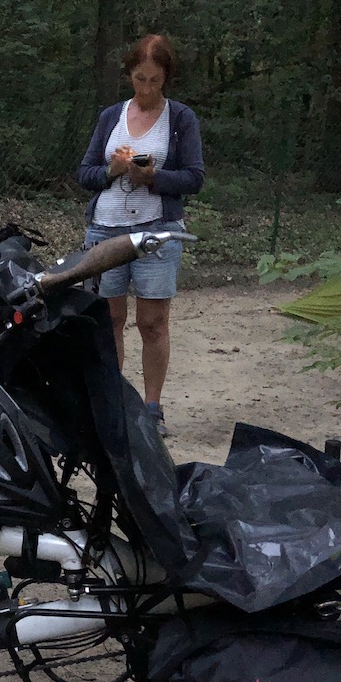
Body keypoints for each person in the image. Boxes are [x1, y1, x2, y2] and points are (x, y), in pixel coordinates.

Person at [75, 34, 204, 438]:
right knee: (108, 318)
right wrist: (112, 172)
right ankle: (112, 400)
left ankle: (151, 408)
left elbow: (195, 178)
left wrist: (155, 178)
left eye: (154, 80)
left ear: (166, 78)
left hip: (158, 232)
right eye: (139, 78)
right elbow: (85, 174)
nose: (146, 88)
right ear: (129, 74)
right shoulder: (109, 117)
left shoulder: (181, 119)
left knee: (152, 322)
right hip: (105, 228)